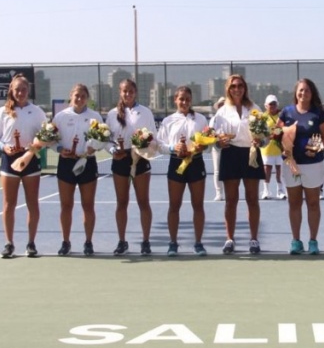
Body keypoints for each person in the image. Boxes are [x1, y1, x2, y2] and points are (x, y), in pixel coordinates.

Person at [0, 74, 46, 258]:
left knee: (32, 204)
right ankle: (9, 243)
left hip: (30, 161)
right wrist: (4, 147)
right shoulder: (2, 112)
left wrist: (35, 147)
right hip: (8, 161)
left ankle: (31, 243)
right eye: (17, 89)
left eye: (24, 89)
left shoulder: (37, 112)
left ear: (28, 91)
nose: (20, 93)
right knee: (9, 204)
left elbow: (46, 135)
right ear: (11, 90)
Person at [211, 74, 265, 254]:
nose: (237, 89)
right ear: (228, 88)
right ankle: (229, 239)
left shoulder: (255, 108)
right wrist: (220, 143)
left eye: (240, 85)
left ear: (245, 88)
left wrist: (260, 141)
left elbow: (263, 136)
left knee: (252, 199)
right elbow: (216, 140)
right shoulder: (222, 112)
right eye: (233, 86)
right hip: (230, 154)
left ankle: (254, 240)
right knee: (231, 200)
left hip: (251, 153)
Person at [105, 78, 157, 256]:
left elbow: (153, 137)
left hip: (140, 159)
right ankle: (122, 241)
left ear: (135, 92)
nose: (128, 94)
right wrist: (113, 150)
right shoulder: (112, 114)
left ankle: (146, 241)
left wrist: (144, 144)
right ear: (120, 92)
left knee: (143, 202)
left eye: (131, 91)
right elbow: (107, 140)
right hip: (120, 160)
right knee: (122, 202)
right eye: (124, 91)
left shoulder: (145, 112)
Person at [156, 86, 208, 256]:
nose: (184, 102)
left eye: (187, 99)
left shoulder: (200, 119)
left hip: (196, 164)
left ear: (191, 100)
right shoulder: (168, 121)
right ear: (175, 100)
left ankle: (198, 243)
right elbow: (160, 146)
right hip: (176, 165)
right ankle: (173, 243)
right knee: (174, 206)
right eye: (181, 99)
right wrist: (173, 147)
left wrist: (202, 147)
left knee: (198, 205)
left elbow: (207, 143)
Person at [279, 79, 324, 255]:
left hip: (313, 165)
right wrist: (284, 145)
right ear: (296, 93)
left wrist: (316, 148)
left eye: (307, 90)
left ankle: (313, 241)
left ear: (312, 93)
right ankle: (296, 241)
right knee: (294, 203)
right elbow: (278, 135)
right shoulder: (286, 112)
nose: (303, 93)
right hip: (291, 164)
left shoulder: (319, 114)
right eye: (300, 90)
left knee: (313, 203)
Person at [52, 84, 102, 256]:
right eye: (76, 96)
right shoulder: (60, 117)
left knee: (88, 205)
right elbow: (51, 140)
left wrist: (93, 148)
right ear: (71, 96)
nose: (79, 99)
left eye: (83, 96)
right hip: (66, 164)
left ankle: (88, 242)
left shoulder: (95, 117)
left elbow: (101, 140)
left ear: (87, 98)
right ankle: (65, 242)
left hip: (87, 163)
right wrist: (60, 150)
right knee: (66, 205)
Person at [260, 94, 286, 200]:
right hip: (267, 149)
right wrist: (272, 134)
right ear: (266, 105)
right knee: (267, 170)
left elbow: (283, 128)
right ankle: (266, 191)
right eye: (270, 104)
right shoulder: (262, 117)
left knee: (280, 171)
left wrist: (276, 133)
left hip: (280, 149)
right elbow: (261, 132)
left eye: (274, 104)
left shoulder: (281, 116)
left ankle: (280, 191)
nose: (272, 106)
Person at [209, 96, 226, 201]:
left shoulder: (232, 117)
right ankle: (219, 193)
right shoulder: (214, 119)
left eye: (224, 104)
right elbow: (210, 132)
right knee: (217, 171)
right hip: (217, 147)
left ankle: (230, 192)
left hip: (230, 146)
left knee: (231, 171)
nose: (222, 106)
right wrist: (217, 139)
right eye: (220, 104)